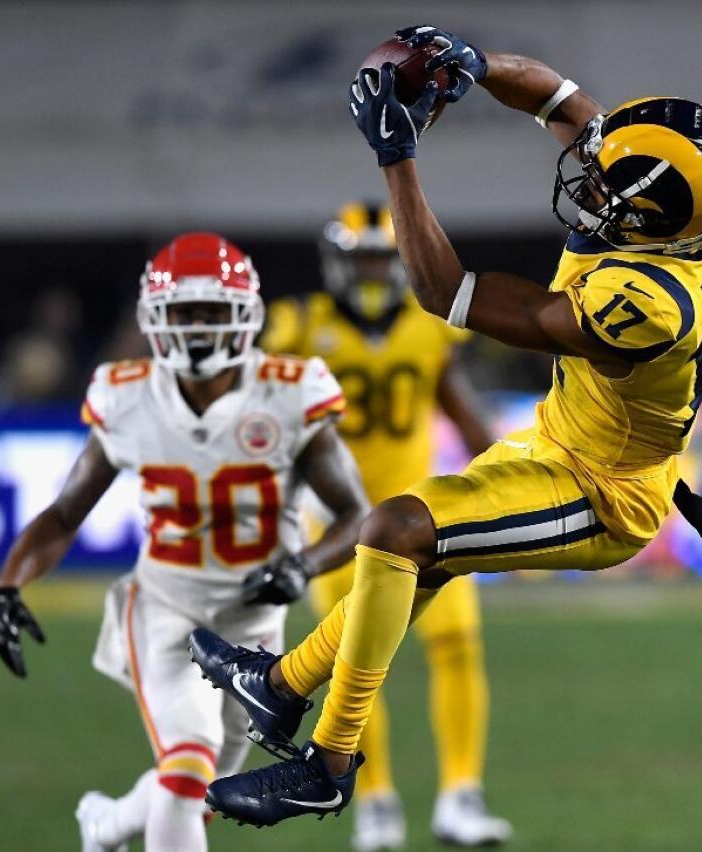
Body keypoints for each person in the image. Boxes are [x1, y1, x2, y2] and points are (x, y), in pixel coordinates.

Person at [190, 24, 702, 828]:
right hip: (561, 440)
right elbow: (559, 99)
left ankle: (328, 766)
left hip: (601, 491)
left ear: (652, 221)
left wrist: (396, 156)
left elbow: (447, 292)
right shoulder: (684, 218)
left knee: (396, 532)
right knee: (417, 555)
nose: (588, 186)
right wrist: (473, 65)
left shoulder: (649, 306)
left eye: (608, 193)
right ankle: (276, 689)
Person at [0, 233, 369, 851]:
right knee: (188, 771)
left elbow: (357, 515)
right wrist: (7, 584)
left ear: (244, 314)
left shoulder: (289, 391)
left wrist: (301, 565)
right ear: (154, 318)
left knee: (205, 787)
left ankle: (107, 824)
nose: (196, 327)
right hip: (168, 612)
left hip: (255, 626)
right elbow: (64, 514)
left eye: (212, 311)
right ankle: (113, 824)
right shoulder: (130, 395)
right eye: (183, 312)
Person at [262, 202, 510, 849]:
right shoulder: (298, 327)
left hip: (424, 519)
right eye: (362, 257)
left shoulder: (428, 328)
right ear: (338, 263)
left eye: (382, 256)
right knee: (353, 663)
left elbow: (465, 416)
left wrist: (509, 485)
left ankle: (461, 794)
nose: (373, 269)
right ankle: (373, 803)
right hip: (342, 525)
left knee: (456, 647)